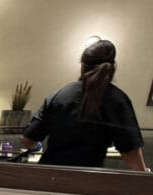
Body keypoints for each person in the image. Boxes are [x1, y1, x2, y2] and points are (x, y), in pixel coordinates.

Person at [22, 40, 147, 172]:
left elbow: (27, 140)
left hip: (48, 175)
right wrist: (144, 174)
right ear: (112, 68)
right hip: (87, 180)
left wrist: (39, 144)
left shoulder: (59, 95)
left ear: (82, 66)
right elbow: (131, 154)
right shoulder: (117, 100)